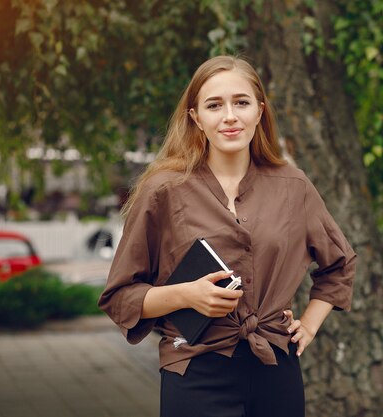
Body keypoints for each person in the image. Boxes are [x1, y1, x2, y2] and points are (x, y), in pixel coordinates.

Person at [98, 55, 356, 417]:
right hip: (194, 367)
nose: (230, 116)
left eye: (241, 102)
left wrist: (309, 326)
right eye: (214, 105)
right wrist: (187, 295)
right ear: (196, 118)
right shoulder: (163, 191)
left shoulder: (293, 187)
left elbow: (339, 264)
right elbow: (120, 297)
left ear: (260, 111)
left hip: (275, 369)